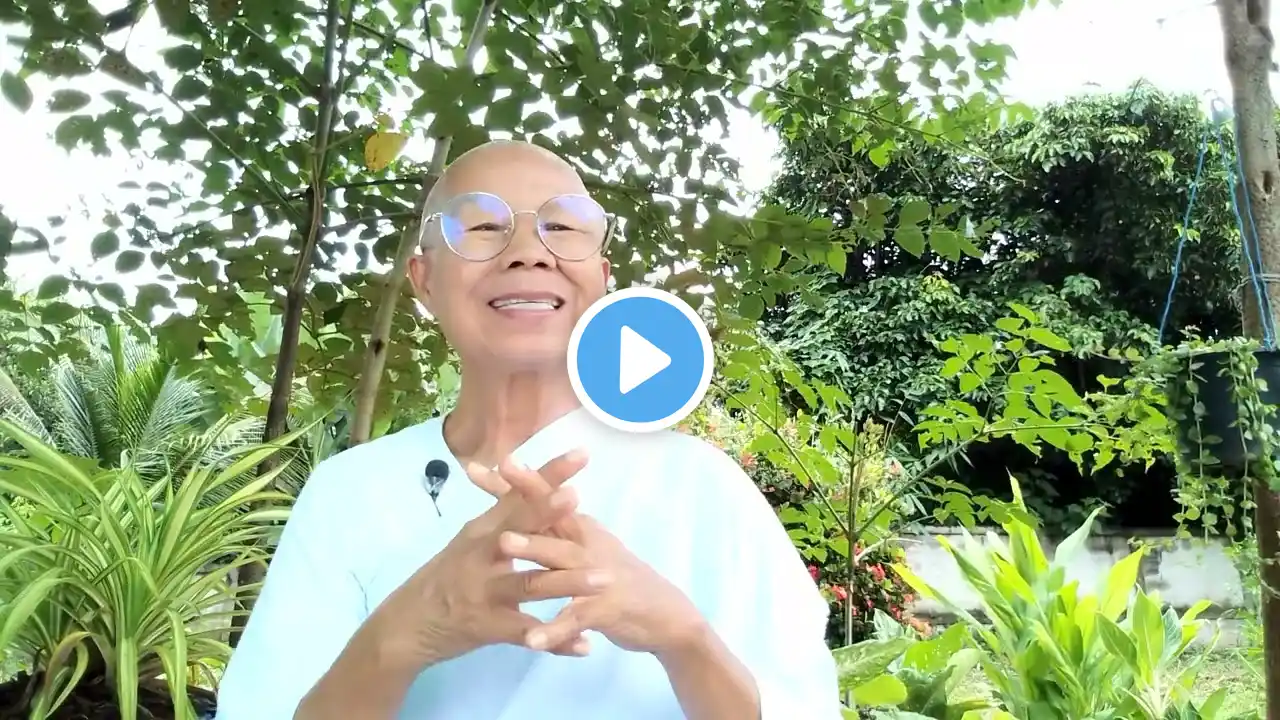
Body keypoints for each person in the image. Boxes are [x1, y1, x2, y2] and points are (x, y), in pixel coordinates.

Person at [215, 140, 842, 720]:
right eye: (483, 227)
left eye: (561, 227)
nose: (528, 251)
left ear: (601, 276)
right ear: (424, 280)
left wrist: (683, 638)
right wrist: (400, 637)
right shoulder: (348, 492)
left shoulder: (700, 485)